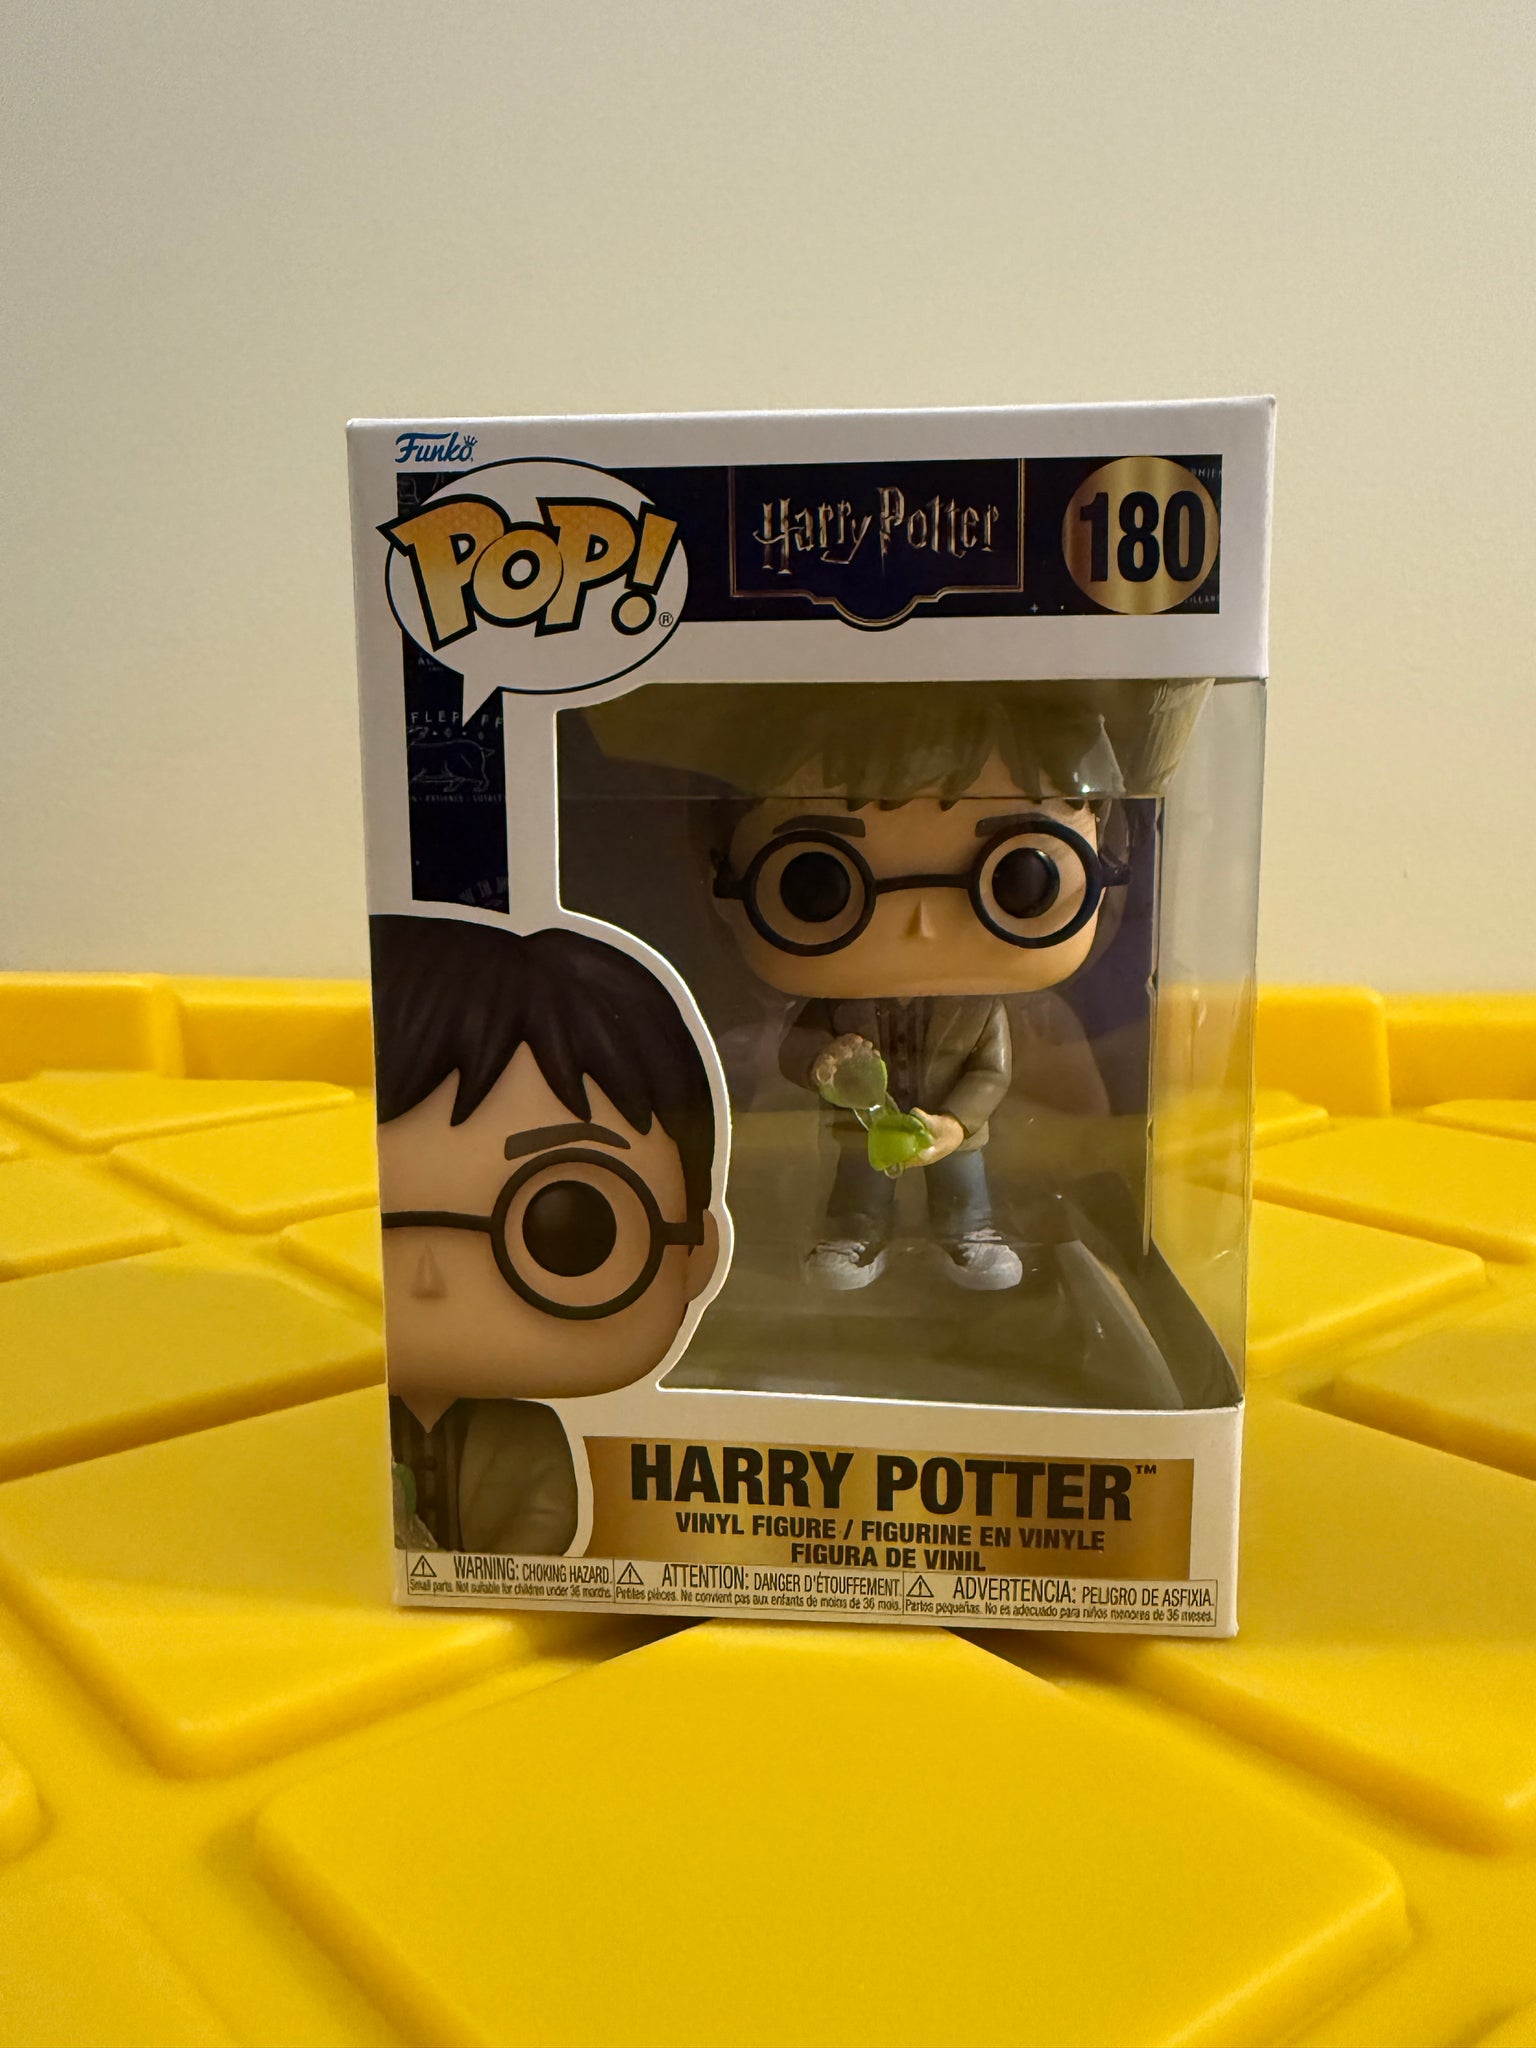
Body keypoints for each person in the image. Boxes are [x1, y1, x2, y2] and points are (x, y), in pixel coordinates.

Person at [708, 682, 1157, 1292]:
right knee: (860, 1187)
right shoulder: (838, 1003)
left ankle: (968, 1234)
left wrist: (955, 1123)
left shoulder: (981, 1009)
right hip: (865, 1126)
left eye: (1021, 879)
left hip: (951, 1124)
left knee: (962, 1186)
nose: (922, 925)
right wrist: (820, 1062)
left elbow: (993, 1072)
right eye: (817, 884)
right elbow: (797, 1047)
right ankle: (855, 1235)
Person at [370, 915, 719, 1553]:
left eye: (568, 1228)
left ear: (697, 1253)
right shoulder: (326, 1429)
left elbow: (547, 1517)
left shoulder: (528, 1435)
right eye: (365, 1218)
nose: (426, 1273)